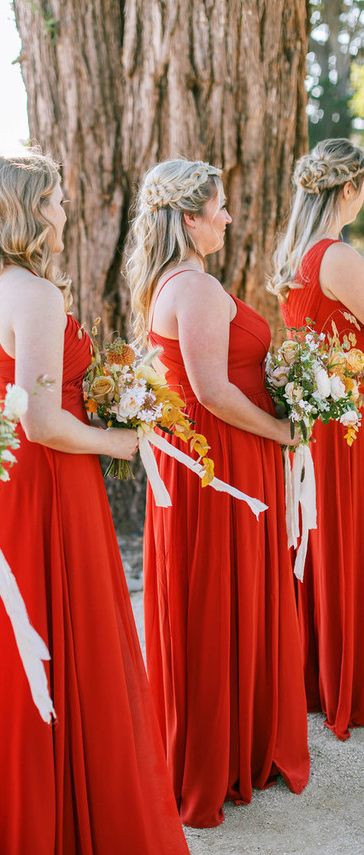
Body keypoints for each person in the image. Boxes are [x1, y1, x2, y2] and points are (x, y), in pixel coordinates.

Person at [0, 153, 190, 854]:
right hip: (48, 482)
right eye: (55, 197)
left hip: (15, 482)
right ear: (29, 209)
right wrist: (120, 441)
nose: (65, 207)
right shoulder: (32, 292)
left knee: (31, 637)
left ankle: (40, 803)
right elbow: (41, 421)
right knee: (66, 633)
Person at [126, 158, 310, 828]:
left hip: (211, 463)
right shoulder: (194, 289)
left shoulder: (173, 281)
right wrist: (282, 431)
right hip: (222, 466)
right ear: (188, 217)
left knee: (221, 598)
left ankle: (231, 740)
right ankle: (220, 754)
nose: (229, 217)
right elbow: (212, 392)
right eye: (220, 207)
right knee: (220, 598)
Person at [269, 138, 364, 740]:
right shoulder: (339, 256)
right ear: (348, 189)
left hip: (322, 423)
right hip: (352, 416)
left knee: (331, 537)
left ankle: (323, 673)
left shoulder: (296, 256)